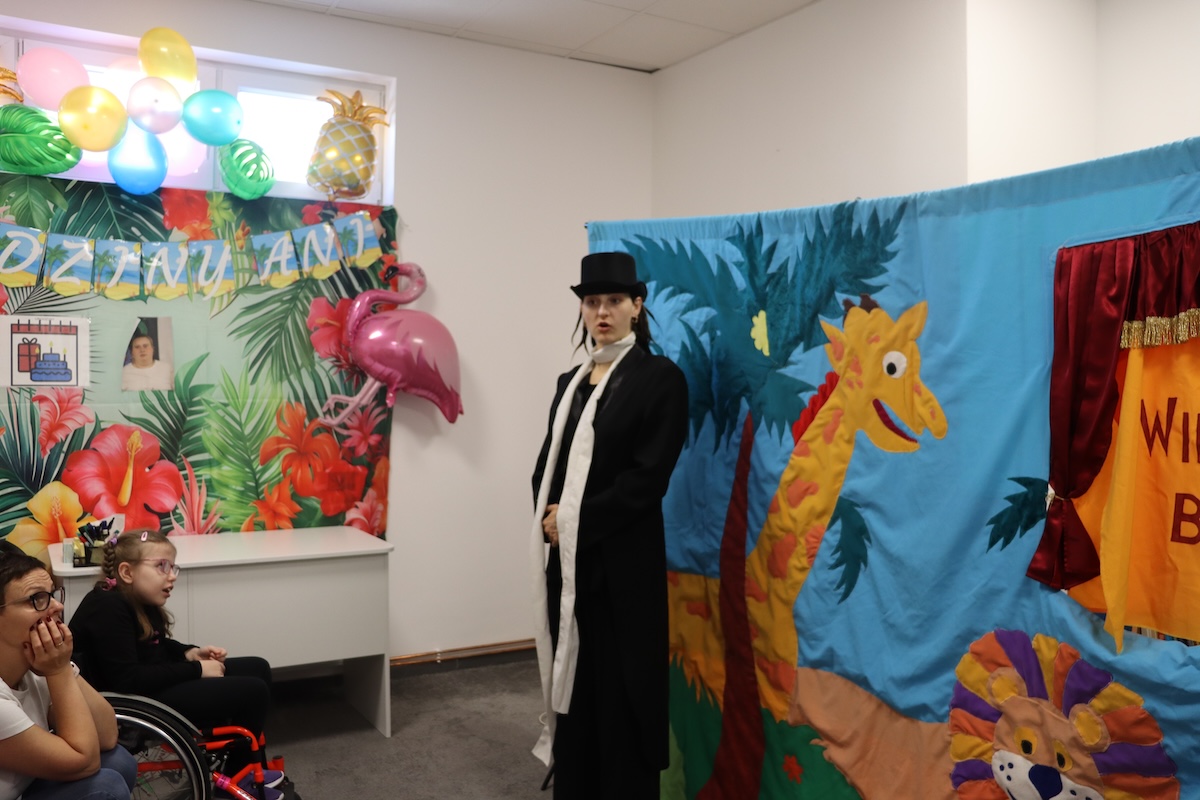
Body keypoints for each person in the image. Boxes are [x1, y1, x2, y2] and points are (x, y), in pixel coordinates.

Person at [529, 251, 689, 799]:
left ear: (637, 306)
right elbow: (547, 467)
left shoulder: (660, 380)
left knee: (624, 694)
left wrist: (573, 518)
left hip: (624, 566)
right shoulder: (569, 382)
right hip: (571, 567)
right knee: (575, 688)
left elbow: (648, 479)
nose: (602, 312)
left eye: (614, 301)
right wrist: (550, 518)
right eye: (592, 302)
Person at [67, 530, 282, 798]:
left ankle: (247, 765)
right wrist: (197, 670)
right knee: (253, 692)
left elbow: (154, 645)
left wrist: (190, 653)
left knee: (258, 667)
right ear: (127, 572)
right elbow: (128, 679)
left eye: (173, 567)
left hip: (146, 685)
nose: (172, 576)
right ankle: (238, 776)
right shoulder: (107, 607)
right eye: (162, 566)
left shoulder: (134, 598)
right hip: (131, 699)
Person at [0, 541, 136, 800]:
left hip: (24, 790)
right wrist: (59, 670)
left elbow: (107, 735)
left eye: (52, 594)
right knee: (105, 786)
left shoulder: (34, 666)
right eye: (36, 599)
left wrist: (61, 667)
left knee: (119, 760)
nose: (57, 607)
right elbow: (84, 762)